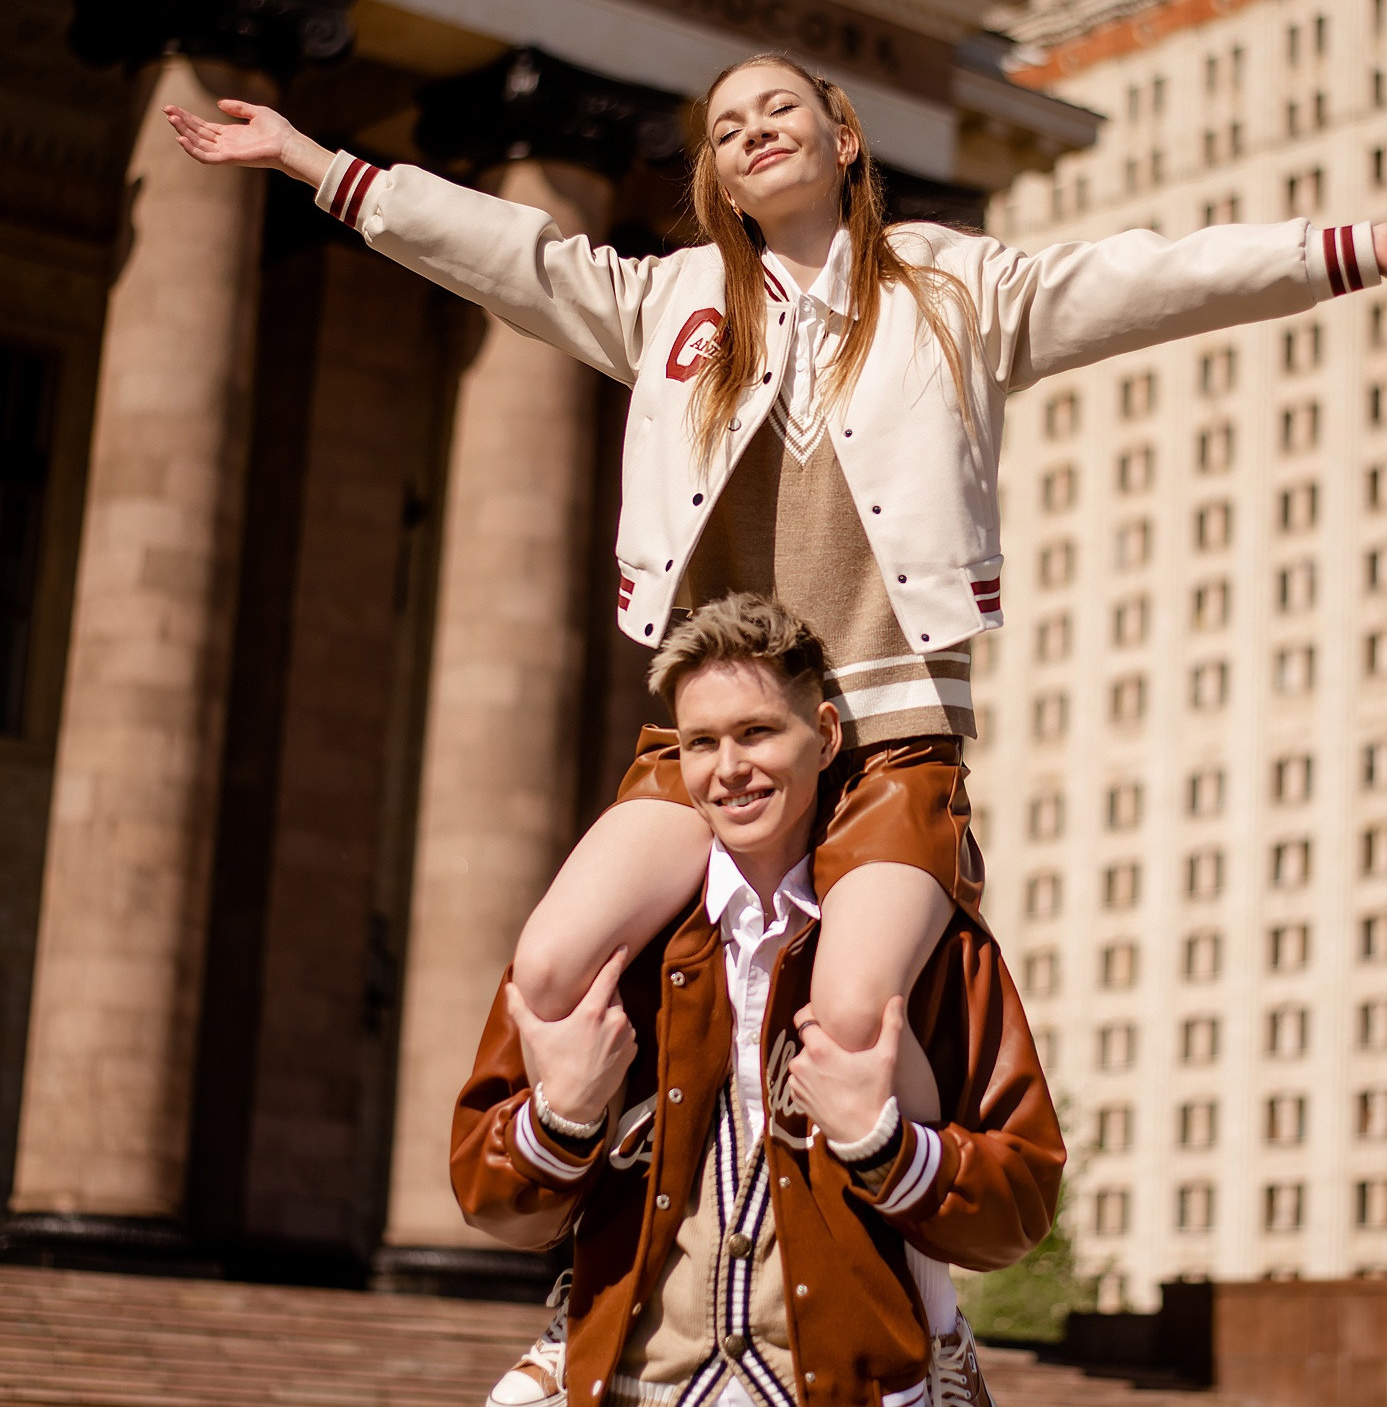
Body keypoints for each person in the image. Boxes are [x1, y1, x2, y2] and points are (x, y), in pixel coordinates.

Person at [164, 55, 1387, 1357]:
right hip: (719, 741)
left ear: (841, 136)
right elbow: (510, 255)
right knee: (553, 966)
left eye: (780, 106)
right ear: (716, 171)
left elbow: (1142, 278)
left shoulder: (955, 287)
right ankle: (636, 1184)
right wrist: (311, 161)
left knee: (856, 1018)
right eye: (726, 120)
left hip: (886, 736)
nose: (753, 126)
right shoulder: (670, 301)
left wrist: (1343, 249)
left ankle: (914, 1299)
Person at [451, 592, 1063, 1407]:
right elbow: (489, 1198)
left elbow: (1017, 1206)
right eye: (701, 742)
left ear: (827, 738)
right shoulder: (616, 946)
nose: (728, 768)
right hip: (635, 1385)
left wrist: (885, 1145)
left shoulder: (926, 945)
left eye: (757, 732)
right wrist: (562, 1116)